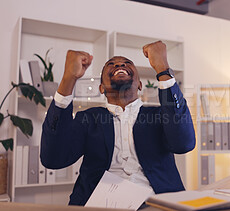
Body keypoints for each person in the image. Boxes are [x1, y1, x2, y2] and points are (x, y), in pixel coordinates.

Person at [40, 41, 196, 206]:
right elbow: (53, 159)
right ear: (101, 88)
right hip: (99, 204)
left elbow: (184, 144)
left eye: (127, 63)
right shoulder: (88, 118)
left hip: (156, 202)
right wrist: (68, 79)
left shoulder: (159, 115)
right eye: (111, 65)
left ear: (140, 85)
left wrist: (163, 69)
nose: (120, 64)